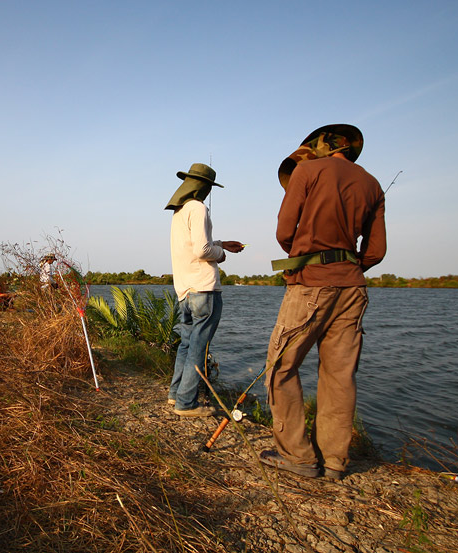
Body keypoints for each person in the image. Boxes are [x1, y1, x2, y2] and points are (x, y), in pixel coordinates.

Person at [260, 124, 386, 481]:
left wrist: (309, 256)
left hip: (310, 285)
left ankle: (298, 456)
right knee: (339, 376)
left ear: (320, 146)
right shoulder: (373, 184)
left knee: (281, 367)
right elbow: (376, 251)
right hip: (353, 288)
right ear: (349, 149)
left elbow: (285, 231)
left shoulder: (307, 170)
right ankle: (334, 461)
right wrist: (348, 264)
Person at [165, 163, 244, 418]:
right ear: (205, 186)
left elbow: (191, 246)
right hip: (203, 289)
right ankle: (186, 404)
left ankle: (175, 394)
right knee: (198, 346)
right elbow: (202, 251)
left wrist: (222, 243)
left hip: (184, 291)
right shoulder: (198, 208)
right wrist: (221, 254)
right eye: (209, 187)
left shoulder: (180, 211)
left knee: (186, 344)